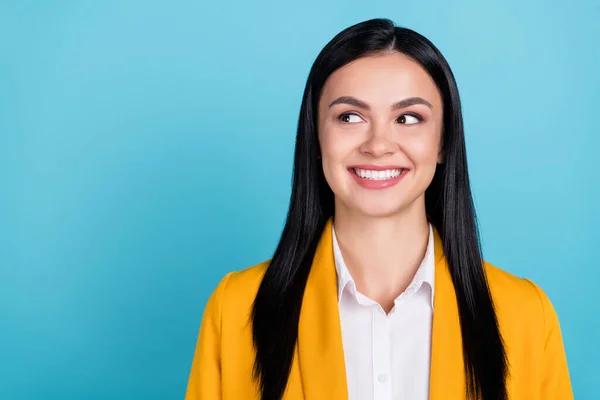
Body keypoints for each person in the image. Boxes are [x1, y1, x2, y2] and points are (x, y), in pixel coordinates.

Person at [184, 18, 573, 400]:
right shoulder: (236, 309)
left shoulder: (525, 315)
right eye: (350, 117)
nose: (378, 144)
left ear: (442, 142)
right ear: (317, 137)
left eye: (408, 118)